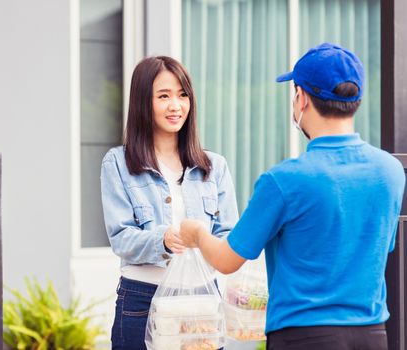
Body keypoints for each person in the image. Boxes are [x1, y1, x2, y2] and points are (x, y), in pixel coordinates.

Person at [179, 43, 406, 350]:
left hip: (303, 337)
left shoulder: (283, 180)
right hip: (372, 335)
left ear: (301, 98)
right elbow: (381, 245)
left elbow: (227, 259)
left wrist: (196, 233)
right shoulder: (390, 171)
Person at [100, 55, 239, 350]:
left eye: (183, 95)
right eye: (164, 96)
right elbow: (120, 238)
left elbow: (228, 236)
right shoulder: (118, 163)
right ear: (142, 102)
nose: (176, 106)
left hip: (201, 297)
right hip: (142, 298)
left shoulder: (214, 166)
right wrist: (162, 239)